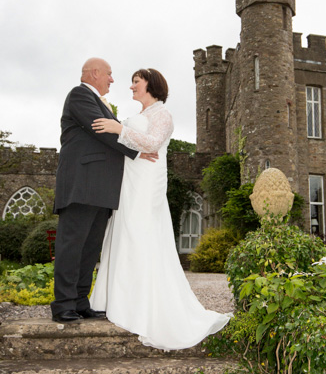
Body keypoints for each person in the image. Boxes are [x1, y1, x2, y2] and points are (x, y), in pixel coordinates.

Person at [90, 67, 231, 350]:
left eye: (136, 82)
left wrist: (120, 128)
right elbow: (129, 142)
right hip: (129, 180)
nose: (131, 87)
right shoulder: (139, 117)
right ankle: (117, 300)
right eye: (131, 83)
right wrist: (113, 119)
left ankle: (143, 307)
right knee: (124, 233)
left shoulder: (162, 114)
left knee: (141, 234)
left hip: (147, 182)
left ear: (150, 85)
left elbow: (153, 143)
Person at [50, 58, 157, 323]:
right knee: (72, 245)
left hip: (101, 189)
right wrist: (138, 149)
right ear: (94, 73)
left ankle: (80, 301)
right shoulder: (79, 95)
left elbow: (111, 132)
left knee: (89, 248)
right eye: (109, 74)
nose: (112, 79)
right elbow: (102, 131)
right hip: (81, 184)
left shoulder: (99, 102)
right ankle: (63, 305)